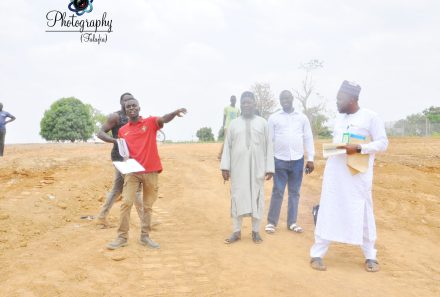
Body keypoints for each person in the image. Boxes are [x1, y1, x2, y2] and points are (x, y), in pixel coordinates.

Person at [309, 81, 388, 272]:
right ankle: (317, 254)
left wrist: (360, 148)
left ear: (352, 99)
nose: (336, 102)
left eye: (339, 99)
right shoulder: (339, 118)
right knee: (329, 209)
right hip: (335, 174)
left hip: (357, 176)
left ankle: (371, 256)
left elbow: (383, 143)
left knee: (362, 212)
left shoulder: (370, 117)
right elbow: (340, 142)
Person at [106, 98, 187, 250]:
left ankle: (145, 237)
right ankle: (122, 237)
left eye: (134, 105)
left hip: (151, 171)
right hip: (133, 172)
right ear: (125, 110)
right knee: (126, 203)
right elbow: (125, 151)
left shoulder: (150, 122)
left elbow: (163, 119)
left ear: (139, 108)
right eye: (128, 106)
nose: (131, 108)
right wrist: (125, 160)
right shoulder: (123, 131)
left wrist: (174, 113)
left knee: (147, 207)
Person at [220, 91, 274, 244]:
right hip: (238, 168)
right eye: (244, 102)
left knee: (257, 197)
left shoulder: (263, 123)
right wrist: (225, 167)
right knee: (237, 196)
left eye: (249, 102)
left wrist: (270, 167)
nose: (246, 105)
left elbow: (269, 146)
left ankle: (255, 232)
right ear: (241, 105)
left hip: (258, 167)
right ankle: (236, 232)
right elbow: (227, 147)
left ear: (254, 104)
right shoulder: (233, 124)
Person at [265, 90, 315, 234]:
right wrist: (268, 162)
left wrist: (310, 159)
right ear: (280, 101)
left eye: (287, 98)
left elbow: (308, 138)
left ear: (292, 99)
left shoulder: (302, 118)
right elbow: (269, 141)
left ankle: (292, 222)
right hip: (279, 160)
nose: (285, 101)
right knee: (278, 191)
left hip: (298, 161)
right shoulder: (274, 118)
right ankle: (271, 222)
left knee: (294, 192)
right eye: (282, 99)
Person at [96, 93, 144, 228]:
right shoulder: (116, 117)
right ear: (121, 103)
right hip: (120, 157)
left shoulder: (135, 117)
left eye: (131, 101)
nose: (129, 104)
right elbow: (100, 133)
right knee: (135, 188)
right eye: (126, 101)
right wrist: (115, 141)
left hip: (132, 158)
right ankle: (145, 220)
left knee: (116, 189)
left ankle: (101, 217)